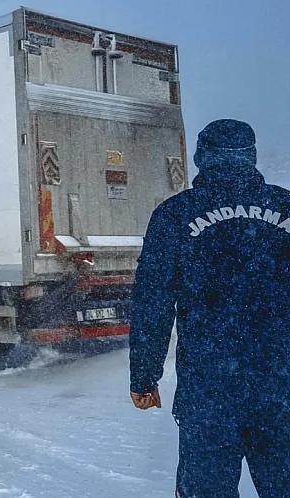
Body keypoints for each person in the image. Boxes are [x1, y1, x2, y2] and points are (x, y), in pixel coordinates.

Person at [129, 119, 290, 497]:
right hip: (282, 387)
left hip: (210, 391)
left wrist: (143, 377)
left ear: (203, 157)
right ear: (250, 158)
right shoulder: (285, 207)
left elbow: (152, 302)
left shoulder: (175, 215)